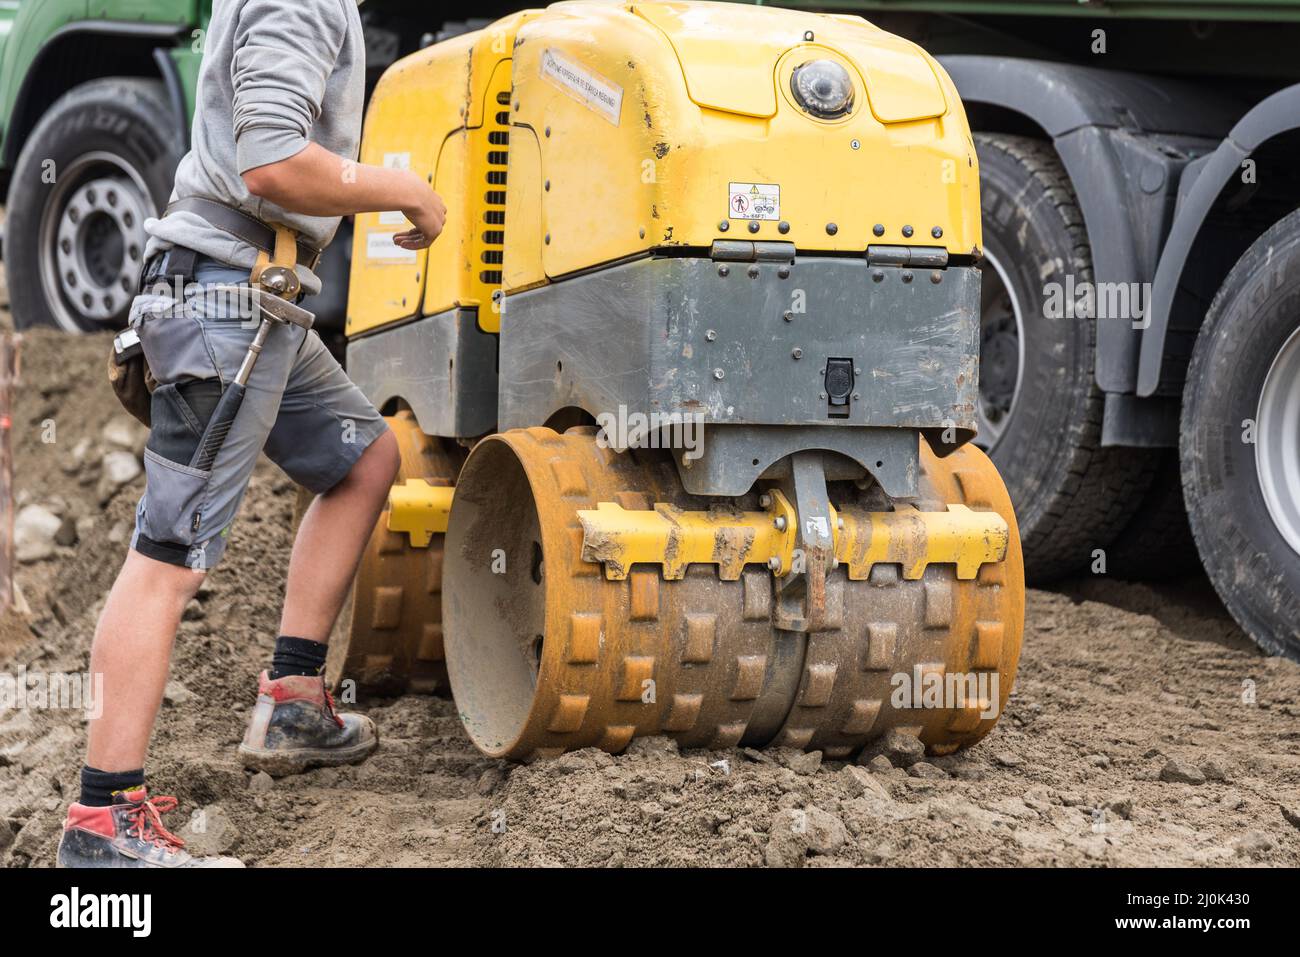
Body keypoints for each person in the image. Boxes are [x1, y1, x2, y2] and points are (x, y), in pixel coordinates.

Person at [56, 0, 445, 868]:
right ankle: (101, 824)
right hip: (228, 303)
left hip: (262, 302)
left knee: (363, 455)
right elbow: (272, 164)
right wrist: (406, 190)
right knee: (168, 558)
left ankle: (295, 700)